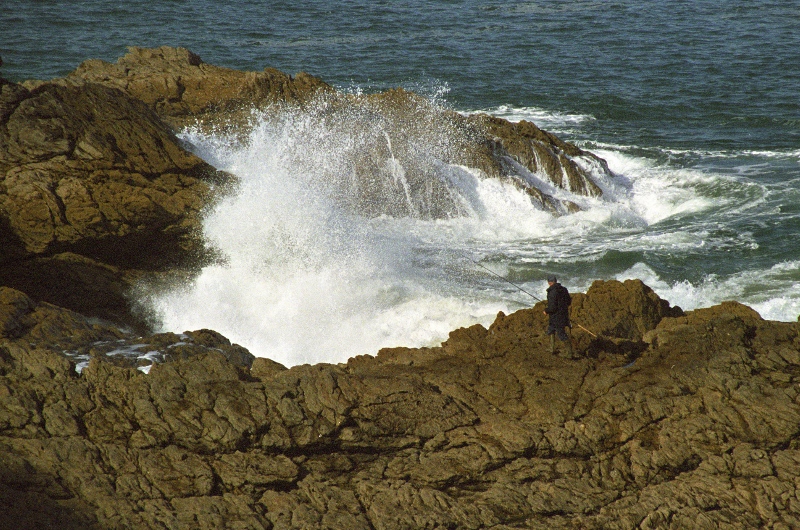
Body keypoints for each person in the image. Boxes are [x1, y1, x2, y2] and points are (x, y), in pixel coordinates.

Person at [543, 275, 575, 358]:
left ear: (549, 282)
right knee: (551, 329)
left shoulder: (552, 292)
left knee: (561, 334)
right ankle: (552, 348)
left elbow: (553, 307)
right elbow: (568, 302)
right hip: (563, 315)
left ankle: (569, 353)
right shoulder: (564, 289)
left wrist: (546, 310)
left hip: (556, 317)